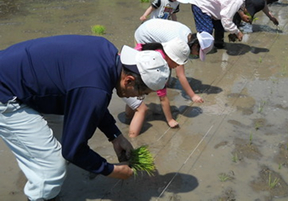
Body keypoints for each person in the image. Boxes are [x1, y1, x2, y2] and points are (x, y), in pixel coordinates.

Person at [0, 35, 170, 201]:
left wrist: (115, 136)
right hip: (6, 92)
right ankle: (39, 196)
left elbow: (88, 100)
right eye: (141, 94)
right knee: (52, 166)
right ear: (129, 80)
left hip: (20, 75)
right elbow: (73, 149)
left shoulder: (106, 52)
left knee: (60, 145)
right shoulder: (94, 89)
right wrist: (110, 170)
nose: (140, 98)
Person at [124, 22, 214, 136]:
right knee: (141, 109)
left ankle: (128, 117)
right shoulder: (178, 48)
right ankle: (133, 139)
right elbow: (167, 93)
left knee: (135, 98)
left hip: (125, 66)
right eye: (198, 53)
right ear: (196, 45)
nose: (196, 55)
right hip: (125, 77)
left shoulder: (155, 50)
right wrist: (170, 120)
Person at [190, 0, 267, 48]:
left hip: (210, 5)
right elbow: (226, 21)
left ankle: (218, 43)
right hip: (201, 4)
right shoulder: (236, 0)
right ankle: (194, 47)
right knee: (206, 31)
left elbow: (229, 11)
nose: (247, 12)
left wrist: (241, 15)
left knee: (220, 25)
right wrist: (237, 32)